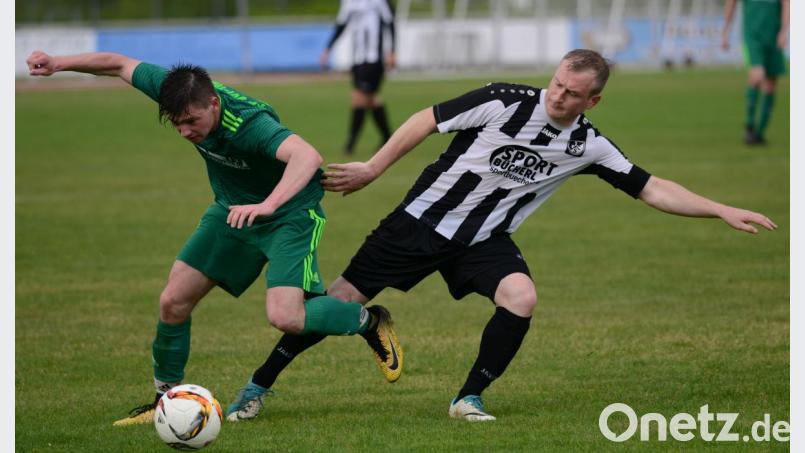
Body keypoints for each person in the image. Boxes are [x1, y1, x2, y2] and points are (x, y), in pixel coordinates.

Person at [315, 49, 773, 421]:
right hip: (421, 221)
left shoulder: (588, 145)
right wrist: (373, 167)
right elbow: (426, 119)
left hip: (484, 238)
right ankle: (258, 386)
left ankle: (468, 399)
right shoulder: (504, 99)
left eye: (572, 93)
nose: (557, 96)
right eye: (556, 84)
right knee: (335, 303)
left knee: (521, 296)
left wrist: (719, 209)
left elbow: (652, 188)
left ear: (591, 102)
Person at [25, 50, 403, 425]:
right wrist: (59, 63)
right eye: (177, 124)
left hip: (289, 215)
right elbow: (119, 64)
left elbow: (306, 156)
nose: (186, 131)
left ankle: (369, 321)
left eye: (192, 121)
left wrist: (269, 204)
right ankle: (165, 402)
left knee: (286, 316)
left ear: (213, 102)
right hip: (232, 210)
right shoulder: (176, 89)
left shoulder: (250, 123)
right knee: (173, 301)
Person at [320, 0, 396, 155]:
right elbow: (341, 25)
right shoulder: (348, 2)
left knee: (359, 98)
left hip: (374, 59)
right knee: (372, 99)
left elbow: (390, 24)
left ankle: (350, 144)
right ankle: (388, 137)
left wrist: (392, 51)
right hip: (357, 60)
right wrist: (328, 49)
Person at [721, 0, 789, 145]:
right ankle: (749, 125)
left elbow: (786, 4)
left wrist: (784, 31)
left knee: (770, 85)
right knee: (757, 76)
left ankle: (759, 133)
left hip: (773, 37)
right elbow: (730, 3)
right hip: (752, 37)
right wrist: (726, 30)